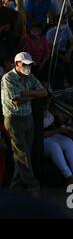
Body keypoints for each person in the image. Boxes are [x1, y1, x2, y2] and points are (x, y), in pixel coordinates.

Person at [1, 52, 48, 197]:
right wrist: (34, 94)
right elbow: (15, 101)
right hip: (14, 120)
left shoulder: (30, 77)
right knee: (22, 154)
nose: (28, 67)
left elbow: (44, 92)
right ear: (17, 64)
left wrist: (26, 93)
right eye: (25, 64)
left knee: (23, 154)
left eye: (30, 64)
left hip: (28, 118)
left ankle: (14, 188)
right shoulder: (8, 78)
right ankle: (32, 185)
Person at [42, 101, 73, 185]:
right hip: (41, 141)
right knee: (54, 146)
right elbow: (40, 135)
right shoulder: (35, 112)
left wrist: (63, 120)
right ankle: (69, 177)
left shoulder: (49, 110)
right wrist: (59, 130)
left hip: (52, 135)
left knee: (68, 142)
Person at [46, 16, 73, 89]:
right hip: (54, 53)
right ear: (57, 22)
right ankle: (58, 86)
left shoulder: (67, 30)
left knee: (69, 63)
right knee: (59, 66)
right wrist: (63, 57)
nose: (64, 24)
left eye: (65, 22)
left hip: (65, 51)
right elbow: (50, 48)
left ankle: (72, 84)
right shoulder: (50, 32)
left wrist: (68, 54)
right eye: (62, 22)